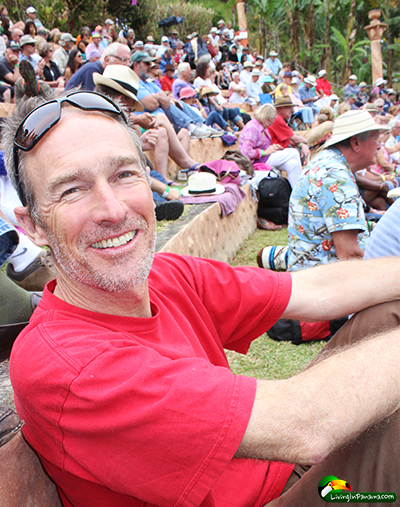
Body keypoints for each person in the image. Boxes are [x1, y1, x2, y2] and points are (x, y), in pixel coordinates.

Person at [4, 89, 400, 507]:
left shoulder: (167, 276)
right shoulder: (63, 365)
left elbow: (315, 289)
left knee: (388, 311)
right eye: (72, 190)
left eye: (124, 175)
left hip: (284, 476)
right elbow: (307, 423)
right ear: (34, 226)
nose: (113, 209)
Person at [287, 110, 388, 271]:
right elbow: (349, 254)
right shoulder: (335, 176)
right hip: (323, 282)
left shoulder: (328, 163)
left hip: (312, 274)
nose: (378, 146)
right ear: (355, 143)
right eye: (375, 139)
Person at [239, 103, 303, 187]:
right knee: (294, 153)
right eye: (269, 121)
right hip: (256, 161)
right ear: (264, 117)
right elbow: (245, 152)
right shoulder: (253, 128)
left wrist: (274, 148)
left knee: (293, 164)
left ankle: (296, 194)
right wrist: (264, 152)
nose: (271, 124)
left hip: (264, 157)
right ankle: (302, 186)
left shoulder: (261, 126)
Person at [65, 42, 131, 92]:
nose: (128, 64)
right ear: (107, 59)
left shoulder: (103, 72)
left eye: (129, 61)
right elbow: (92, 104)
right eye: (123, 60)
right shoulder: (92, 70)